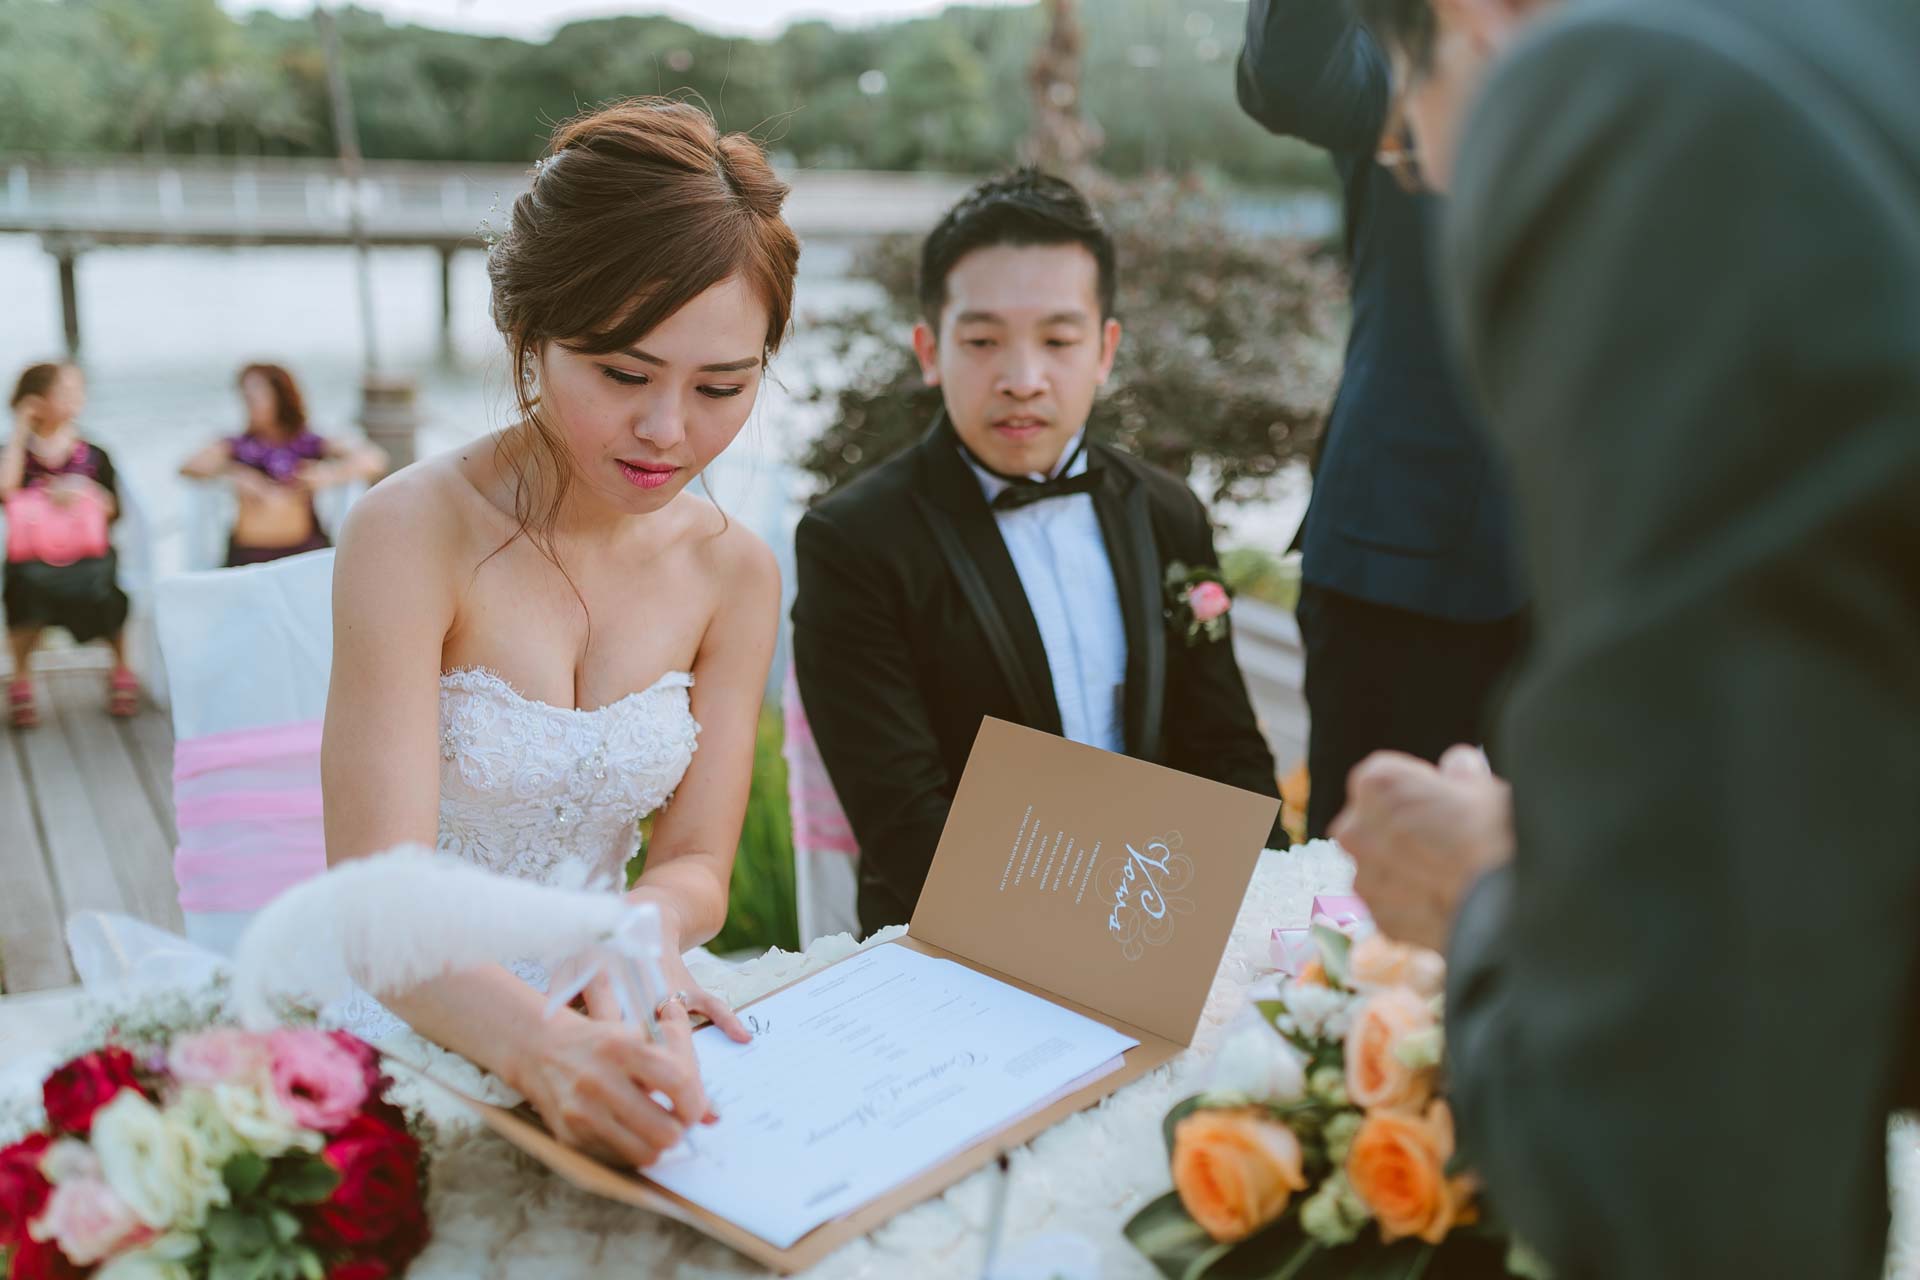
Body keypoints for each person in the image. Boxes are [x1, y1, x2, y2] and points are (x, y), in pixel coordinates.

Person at [1329, 0, 1920, 1277]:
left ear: (1478, 19)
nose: (1437, 185)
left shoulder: (1629, 106)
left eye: (1411, 142)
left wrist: (1490, 899)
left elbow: (1681, 1158)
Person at [321, 99, 799, 1169]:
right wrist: (542, 1048)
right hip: (419, 1013)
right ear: (529, 336)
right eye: (624, 374)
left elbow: (697, 860)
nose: (668, 431)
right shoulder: (411, 532)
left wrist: (637, 932)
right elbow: (375, 905)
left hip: (617, 997)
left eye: (722, 386)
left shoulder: (735, 571)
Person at [792, 170, 1284, 936]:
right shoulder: (853, 541)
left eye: (1058, 341)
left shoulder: (1167, 511)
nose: (1023, 380)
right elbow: (904, 819)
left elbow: (1227, 752)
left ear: (1105, 350)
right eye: (983, 342)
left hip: (1166, 926)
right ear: (929, 349)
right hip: (959, 947)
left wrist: (1268, 921)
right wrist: (1086, 943)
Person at [1236, 0, 1527, 837]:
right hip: (1400, 562)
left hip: (1613, 571)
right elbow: (1294, 73)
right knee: (1365, 883)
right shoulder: (1410, 47)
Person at [2, 363, 137, 726]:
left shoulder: (94, 453)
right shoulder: (14, 453)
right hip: (31, 558)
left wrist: (83, 491)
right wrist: (20, 427)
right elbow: (5, 490)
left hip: (87, 556)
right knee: (21, 587)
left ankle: (121, 668)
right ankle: (21, 677)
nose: (77, 398)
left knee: (106, 588)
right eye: (66, 391)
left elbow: (115, 511)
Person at [179, 362, 387, 567]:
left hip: (303, 549)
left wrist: (328, 474)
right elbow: (189, 466)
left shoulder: (308, 442)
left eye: (256, 395)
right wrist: (235, 474)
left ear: (279, 396)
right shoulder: (237, 445)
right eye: (245, 396)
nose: (249, 403)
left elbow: (373, 459)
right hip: (247, 553)